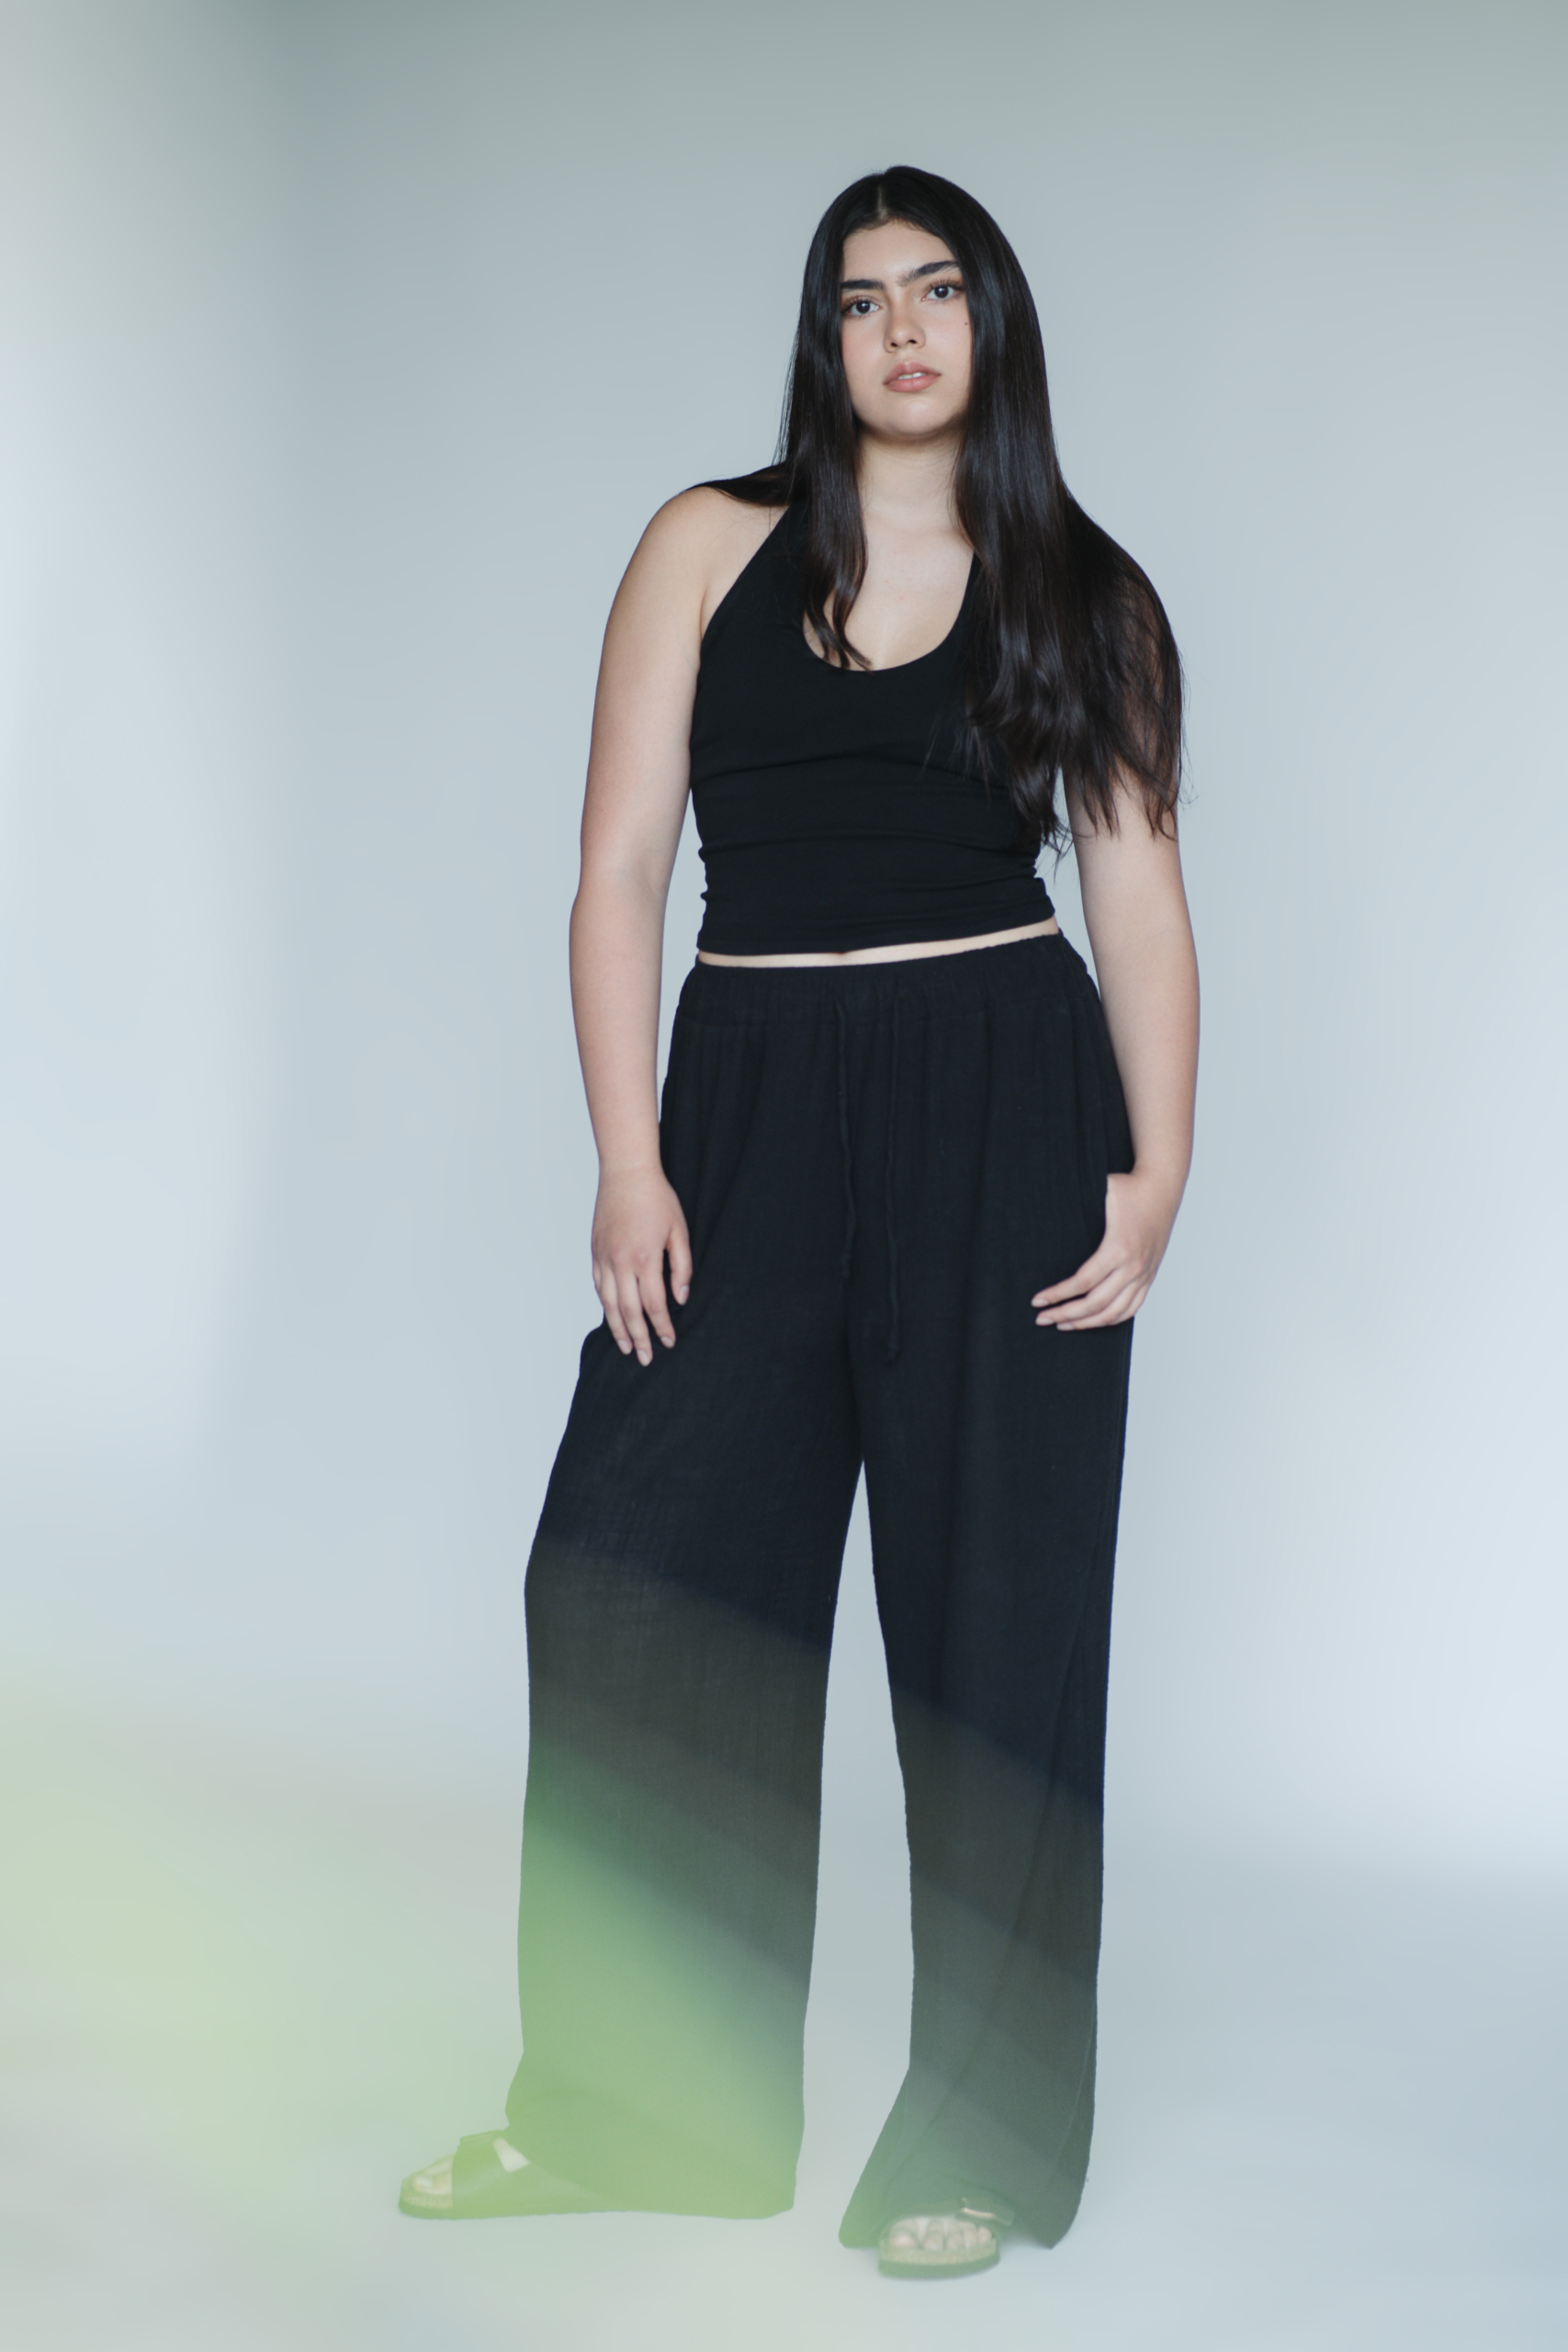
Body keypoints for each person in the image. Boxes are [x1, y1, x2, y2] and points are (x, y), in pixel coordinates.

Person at [399, 163, 1198, 2282]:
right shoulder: (703, 545)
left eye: (936, 290)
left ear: (990, 322)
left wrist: (1155, 1165)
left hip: (1002, 1103)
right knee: (626, 1572)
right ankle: (640, 2107)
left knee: (995, 1625)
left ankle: (978, 2144)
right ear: (821, 338)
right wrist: (626, 1153)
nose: (901, 329)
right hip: (740, 1102)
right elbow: (613, 866)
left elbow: (1133, 893)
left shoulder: (1081, 590)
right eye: (860, 299)